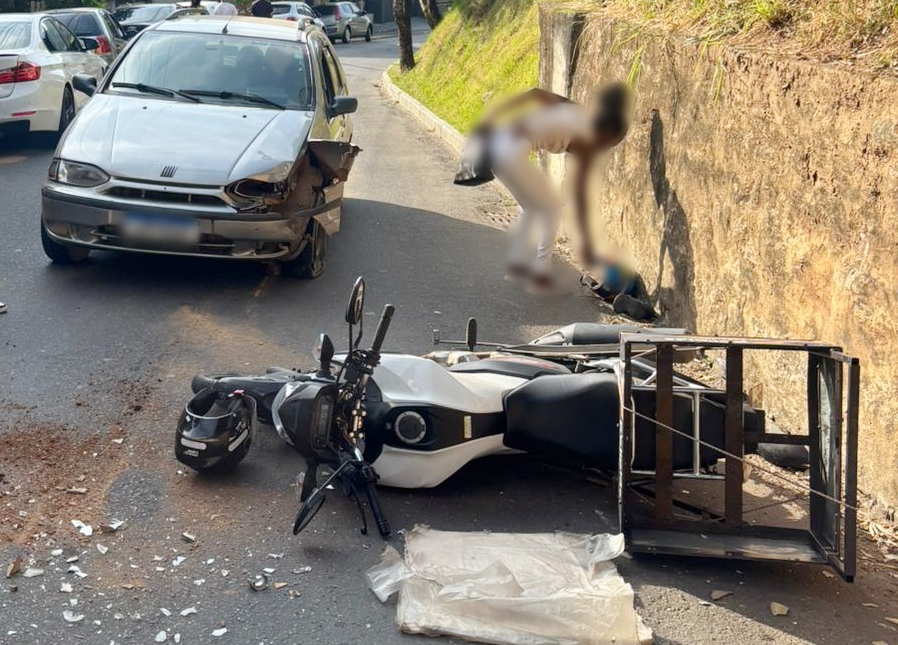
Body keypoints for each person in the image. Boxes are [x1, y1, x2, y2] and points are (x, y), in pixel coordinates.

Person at [474, 83, 630, 294]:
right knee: (553, 206)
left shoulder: (575, 109)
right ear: (605, 132)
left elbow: (535, 94)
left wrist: (495, 113)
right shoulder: (586, 143)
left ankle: (517, 266)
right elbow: (581, 198)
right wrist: (587, 246)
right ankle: (540, 277)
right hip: (509, 151)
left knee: (530, 207)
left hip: (497, 143)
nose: (603, 149)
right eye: (608, 144)